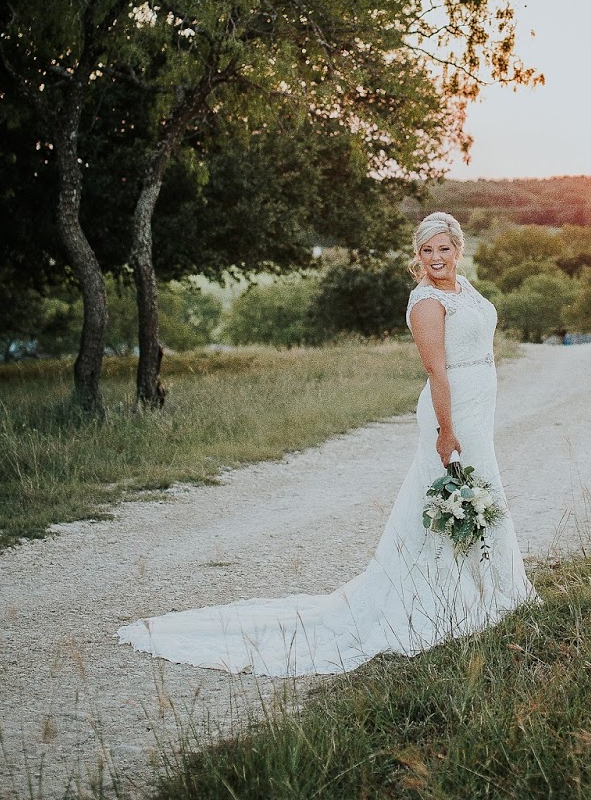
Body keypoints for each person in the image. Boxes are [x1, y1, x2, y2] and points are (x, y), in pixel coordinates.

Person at [117, 211, 536, 676]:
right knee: (452, 495)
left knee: (482, 488)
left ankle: (493, 587)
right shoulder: (426, 302)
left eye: (443, 248)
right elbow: (436, 370)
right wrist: (446, 431)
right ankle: (445, 600)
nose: (435, 258)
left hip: (477, 407)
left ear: (458, 249)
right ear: (417, 255)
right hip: (451, 411)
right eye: (426, 250)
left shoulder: (465, 288)